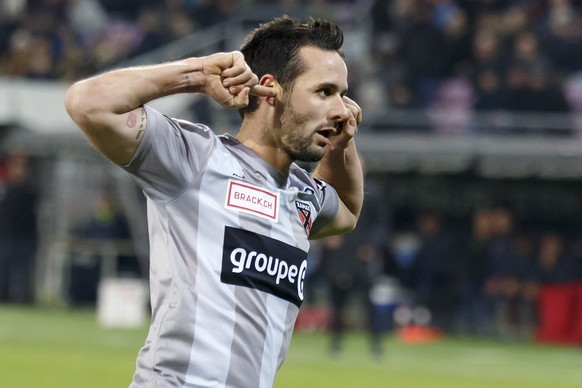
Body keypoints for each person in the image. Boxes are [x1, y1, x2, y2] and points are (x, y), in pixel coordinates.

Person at [64, 15, 363, 388]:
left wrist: (341, 146)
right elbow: (86, 103)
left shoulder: (303, 195)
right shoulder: (195, 159)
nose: (342, 110)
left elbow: (348, 211)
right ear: (271, 88)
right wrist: (197, 72)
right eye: (324, 92)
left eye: (343, 94)